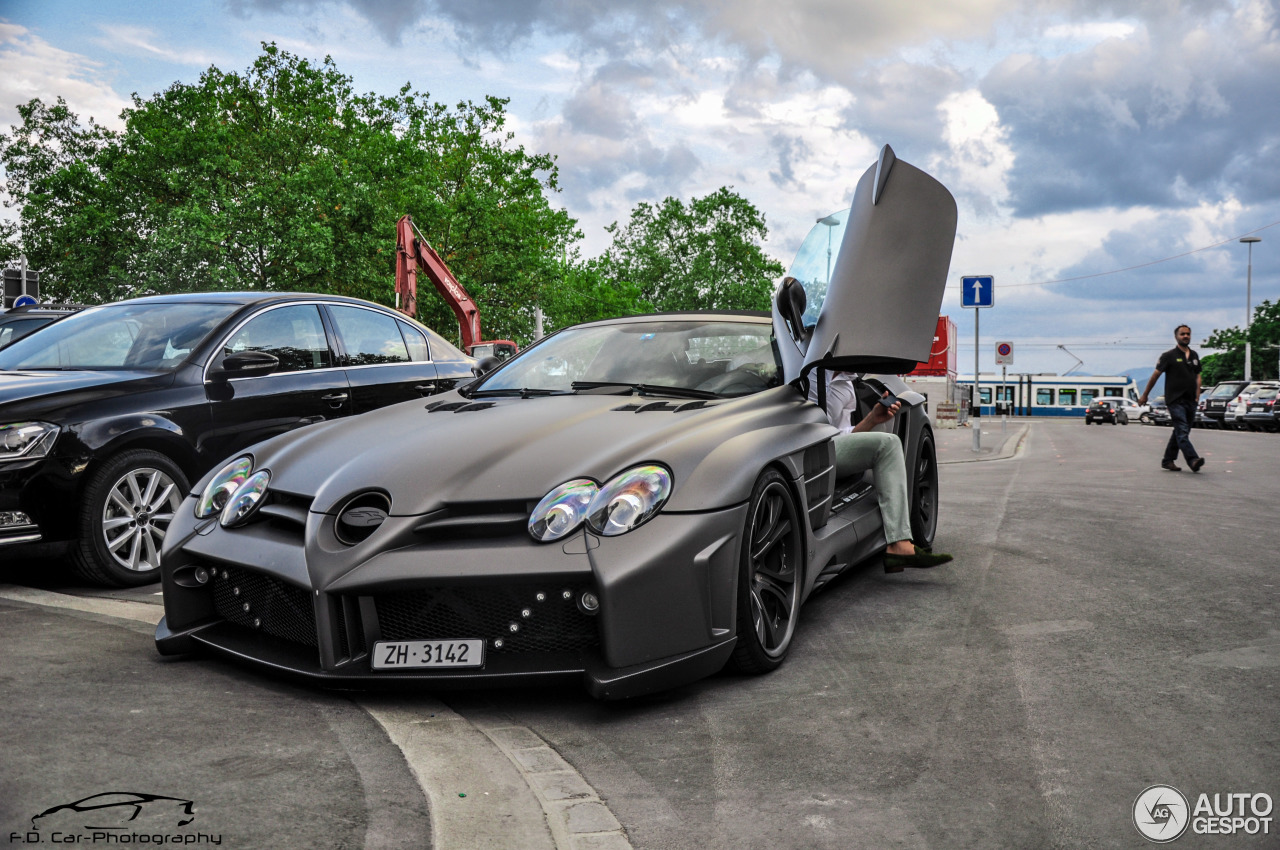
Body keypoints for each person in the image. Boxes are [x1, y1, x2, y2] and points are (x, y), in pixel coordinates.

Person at [809, 371, 952, 572]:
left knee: (887, 443)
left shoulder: (847, 381)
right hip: (808, 448)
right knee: (888, 443)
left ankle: (899, 545)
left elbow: (840, 434)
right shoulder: (811, 375)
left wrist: (872, 418)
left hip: (827, 447)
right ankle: (899, 546)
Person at [1139, 324, 1204, 472]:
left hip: (1191, 400)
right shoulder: (1168, 356)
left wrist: (1197, 396)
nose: (1186, 336)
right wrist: (1145, 395)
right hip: (1175, 400)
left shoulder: (1194, 355)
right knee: (1182, 430)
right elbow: (1155, 375)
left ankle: (1168, 460)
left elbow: (1198, 376)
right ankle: (1192, 459)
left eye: (1188, 334)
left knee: (1181, 431)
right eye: (1182, 334)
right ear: (1176, 337)